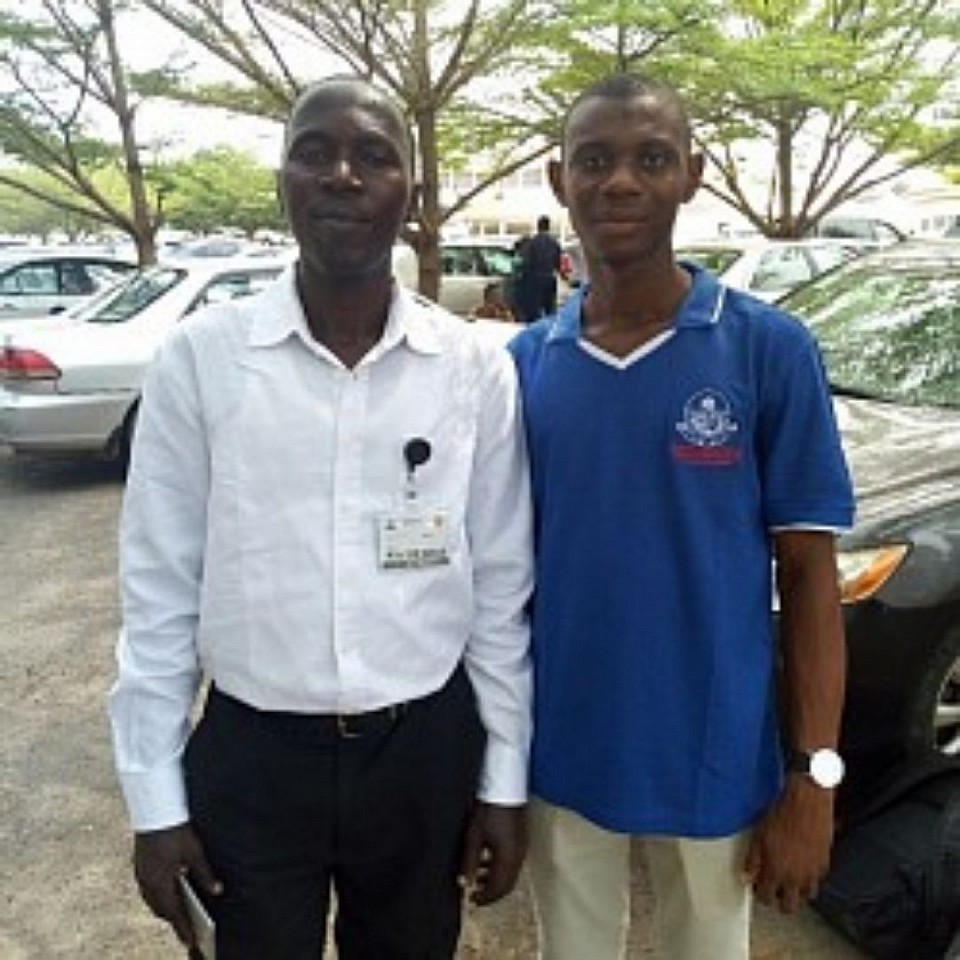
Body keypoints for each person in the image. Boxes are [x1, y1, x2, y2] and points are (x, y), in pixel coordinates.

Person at [108, 76, 533, 960]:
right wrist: (155, 803)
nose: (343, 175)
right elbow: (159, 589)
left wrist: (502, 779)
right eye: (315, 153)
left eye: (373, 156)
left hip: (422, 755)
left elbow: (500, 587)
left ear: (410, 192)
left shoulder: (471, 368)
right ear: (283, 183)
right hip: (253, 760)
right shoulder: (201, 361)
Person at [509, 73, 855, 960]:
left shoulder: (769, 349)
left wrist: (814, 776)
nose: (621, 182)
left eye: (652, 159)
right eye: (595, 161)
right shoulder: (522, 365)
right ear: (559, 180)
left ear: (693, 175)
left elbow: (809, 575)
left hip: (714, 749)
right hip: (562, 748)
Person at [515, 215, 562, 322]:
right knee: (550, 309)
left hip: (534, 280)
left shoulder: (533, 243)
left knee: (534, 311)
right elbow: (557, 263)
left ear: (538, 226)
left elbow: (527, 262)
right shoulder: (554, 243)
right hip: (549, 278)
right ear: (548, 226)